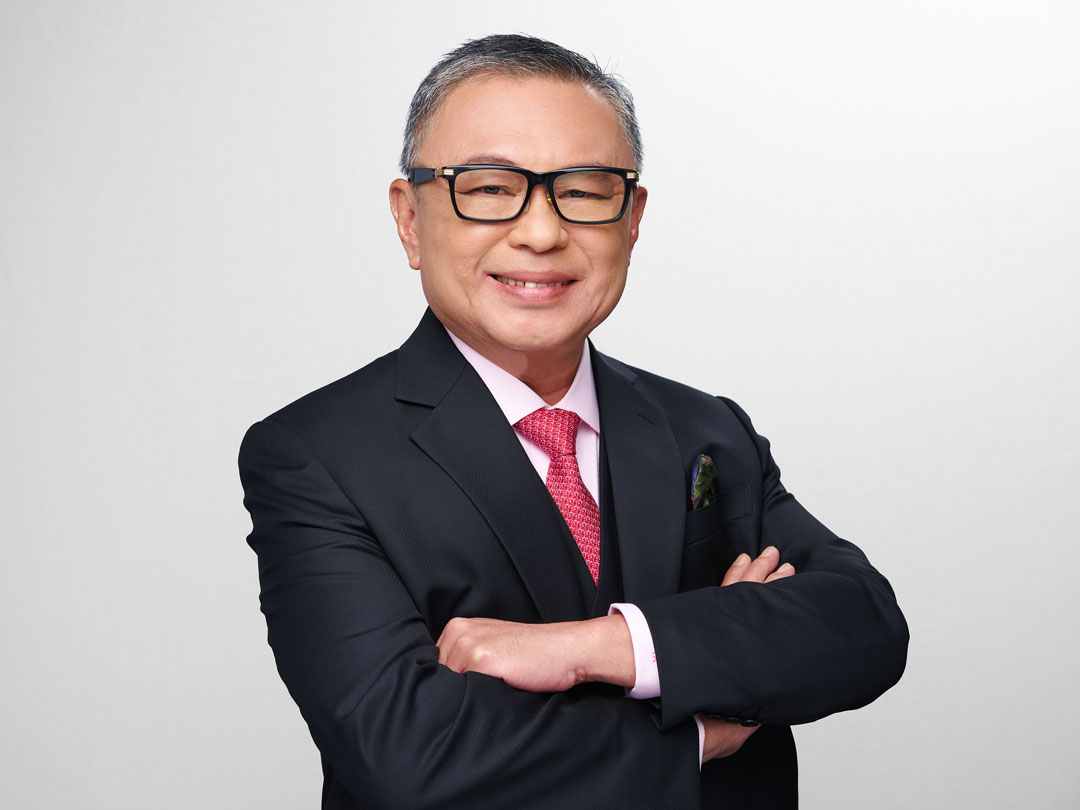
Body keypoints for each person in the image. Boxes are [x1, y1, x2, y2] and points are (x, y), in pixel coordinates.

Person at [239, 33, 908, 810]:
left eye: (585, 190)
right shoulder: (317, 455)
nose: (542, 232)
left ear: (632, 219)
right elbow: (409, 756)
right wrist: (700, 719)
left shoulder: (705, 429)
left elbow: (863, 628)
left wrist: (605, 647)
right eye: (488, 188)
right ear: (409, 220)